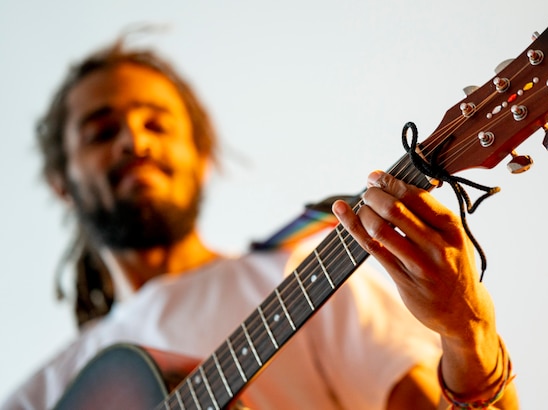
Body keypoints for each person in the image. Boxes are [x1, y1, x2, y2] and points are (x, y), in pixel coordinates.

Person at [1, 36, 518, 409]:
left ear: (200, 156)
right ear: (59, 181)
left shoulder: (298, 277)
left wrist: (468, 328)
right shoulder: (41, 396)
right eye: (100, 131)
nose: (135, 141)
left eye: (156, 123)